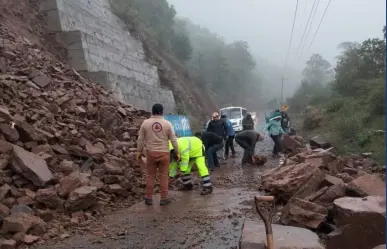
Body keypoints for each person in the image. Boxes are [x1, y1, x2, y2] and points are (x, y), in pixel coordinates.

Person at [137, 103, 179, 206]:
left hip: (150, 152)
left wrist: (139, 151)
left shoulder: (145, 123)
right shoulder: (167, 124)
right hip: (164, 153)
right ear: (162, 112)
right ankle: (164, 199)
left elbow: (140, 139)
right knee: (164, 176)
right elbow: (173, 139)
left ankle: (148, 198)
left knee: (150, 175)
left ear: (152, 111)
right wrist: (177, 151)